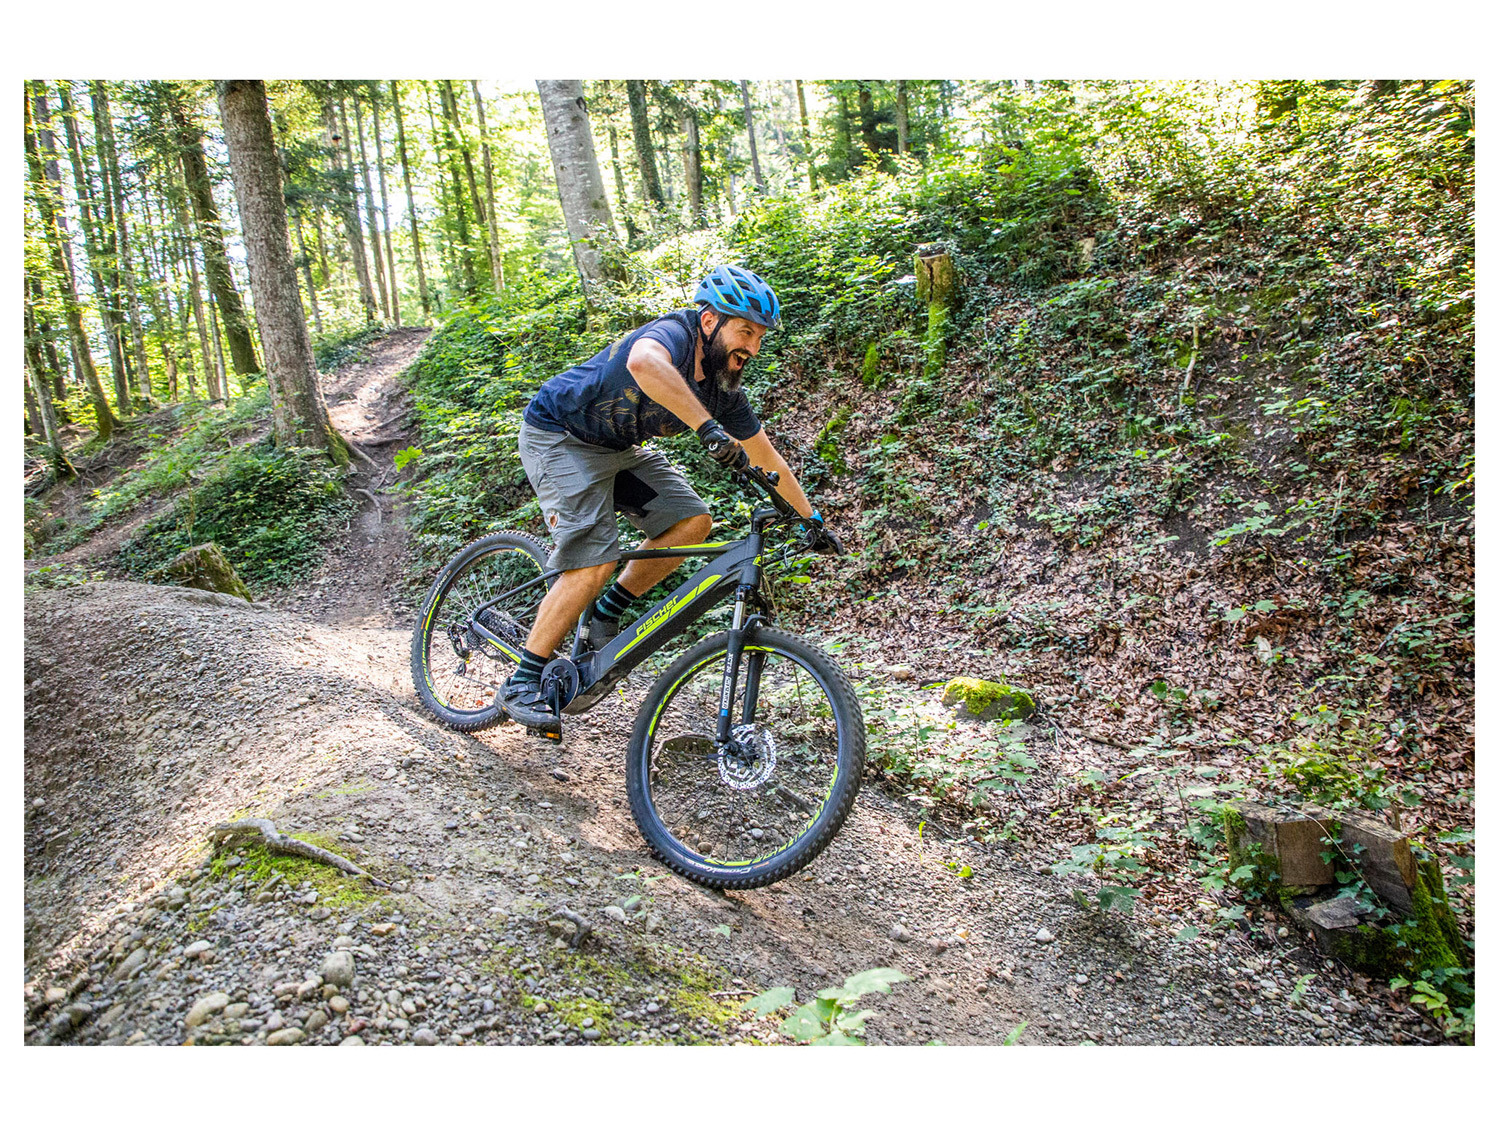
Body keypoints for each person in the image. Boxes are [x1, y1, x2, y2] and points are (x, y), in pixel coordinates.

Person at [502, 264, 840, 733]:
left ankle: (605, 612)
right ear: (710, 321)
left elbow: (769, 460)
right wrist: (707, 429)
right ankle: (522, 680)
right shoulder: (675, 335)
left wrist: (811, 521)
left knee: (692, 522)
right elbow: (643, 363)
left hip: (618, 449)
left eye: (760, 337)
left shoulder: (724, 392)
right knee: (593, 560)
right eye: (745, 332)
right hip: (559, 436)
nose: (753, 348)